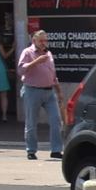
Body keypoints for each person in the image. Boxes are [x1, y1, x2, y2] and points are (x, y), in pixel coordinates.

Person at [18, 26, 63, 160]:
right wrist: (36, 61)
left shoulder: (48, 54)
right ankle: (31, 150)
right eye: (41, 41)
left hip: (49, 92)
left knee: (56, 121)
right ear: (34, 40)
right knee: (32, 122)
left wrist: (59, 92)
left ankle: (56, 150)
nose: (44, 43)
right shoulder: (28, 53)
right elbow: (21, 70)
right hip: (32, 90)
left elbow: (53, 75)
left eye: (45, 41)